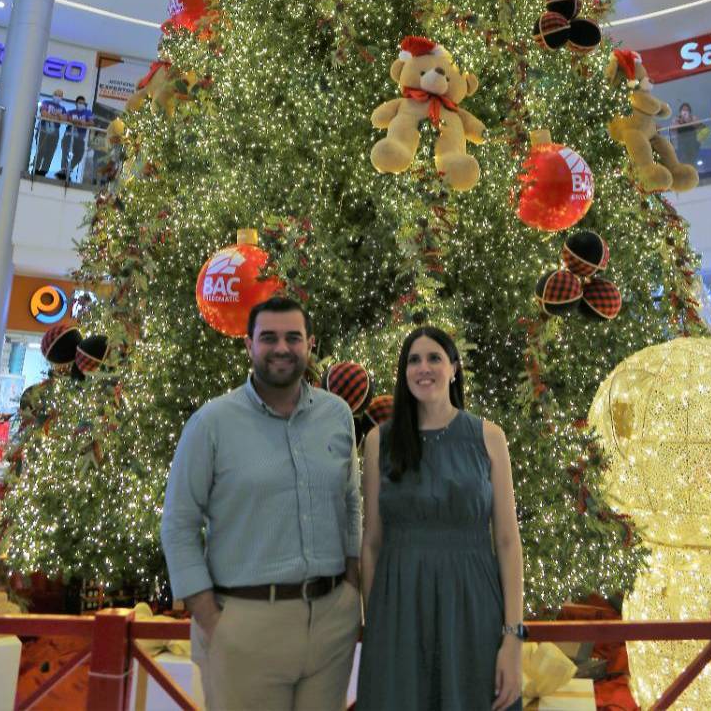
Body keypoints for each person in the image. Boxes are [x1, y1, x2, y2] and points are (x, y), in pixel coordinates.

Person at [161, 296, 361, 711]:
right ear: (249, 345)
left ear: (310, 345)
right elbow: (180, 524)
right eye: (268, 337)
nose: (282, 348)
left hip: (330, 623)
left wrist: (352, 586)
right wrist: (210, 618)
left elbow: (351, 502)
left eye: (293, 337)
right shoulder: (212, 423)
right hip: (244, 621)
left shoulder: (337, 414)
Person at [357, 326, 524, 711]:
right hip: (398, 609)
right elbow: (372, 542)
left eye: (434, 358)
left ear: (454, 368)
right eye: (413, 360)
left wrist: (513, 637)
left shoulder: (489, 437)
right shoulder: (379, 442)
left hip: (473, 606)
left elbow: (507, 541)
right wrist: (376, 625)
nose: (423, 367)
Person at [56, 94, 92, 180]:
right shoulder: (71, 112)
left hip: (80, 139)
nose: (81, 105)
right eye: (80, 103)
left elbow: (91, 122)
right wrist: (74, 120)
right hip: (69, 136)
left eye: (83, 103)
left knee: (79, 155)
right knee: (66, 153)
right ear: (76, 103)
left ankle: (68, 169)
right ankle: (63, 171)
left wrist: (82, 122)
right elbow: (64, 118)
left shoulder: (88, 112)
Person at [33, 89, 65, 176]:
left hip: (54, 134)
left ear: (62, 98)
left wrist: (52, 116)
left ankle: (43, 171)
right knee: (41, 150)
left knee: (50, 153)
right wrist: (57, 117)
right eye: (56, 94)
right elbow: (43, 113)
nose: (58, 97)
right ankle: (35, 169)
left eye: (60, 95)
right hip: (43, 130)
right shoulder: (46, 102)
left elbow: (64, 119)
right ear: (53, 95)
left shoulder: (63, 108)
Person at [673, 102, 700, 167]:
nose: (685, 111)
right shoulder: (677, 119)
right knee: (683, 159)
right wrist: (679, 122)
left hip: (692, 141)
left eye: (687, 110)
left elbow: (697, 125)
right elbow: (674, 130)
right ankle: (686, 175)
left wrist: (689, 121)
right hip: (681, 141)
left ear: (689, 111)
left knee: (692, 158)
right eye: (683, 110)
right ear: (680, 111)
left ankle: (694, 173)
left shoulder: (693, 117)